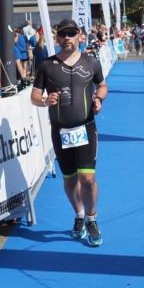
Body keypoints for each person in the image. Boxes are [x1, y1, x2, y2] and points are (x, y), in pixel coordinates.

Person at [31, 19, 108, 247]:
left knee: (88, 178)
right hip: (60, 130)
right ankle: (79, 215)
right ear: (57, 37)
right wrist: (45, 101)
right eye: (63, 34)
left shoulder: (91, 62)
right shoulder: (46, 65)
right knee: (70, 179)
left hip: (86, 128)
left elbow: (102, 85)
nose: (67, 37)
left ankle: (92, 218)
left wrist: (99, 99)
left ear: (79, 36)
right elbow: (34, 97)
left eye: (71, 33)